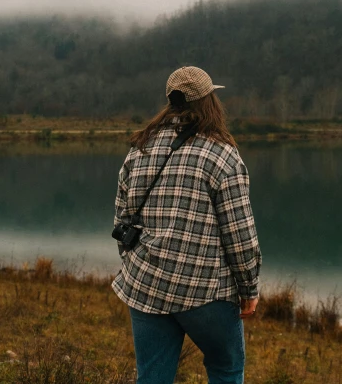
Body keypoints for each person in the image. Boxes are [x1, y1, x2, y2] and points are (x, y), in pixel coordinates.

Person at [112, 66, 262, 384]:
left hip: (147, 284)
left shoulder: (140, 149)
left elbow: (121, 221)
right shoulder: (223, 156)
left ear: (171, 102)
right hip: (205, 291)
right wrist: (249, 288)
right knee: (226, 368)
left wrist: (138, 264)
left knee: (153, 375)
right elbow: (240, 235)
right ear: (210, 102)